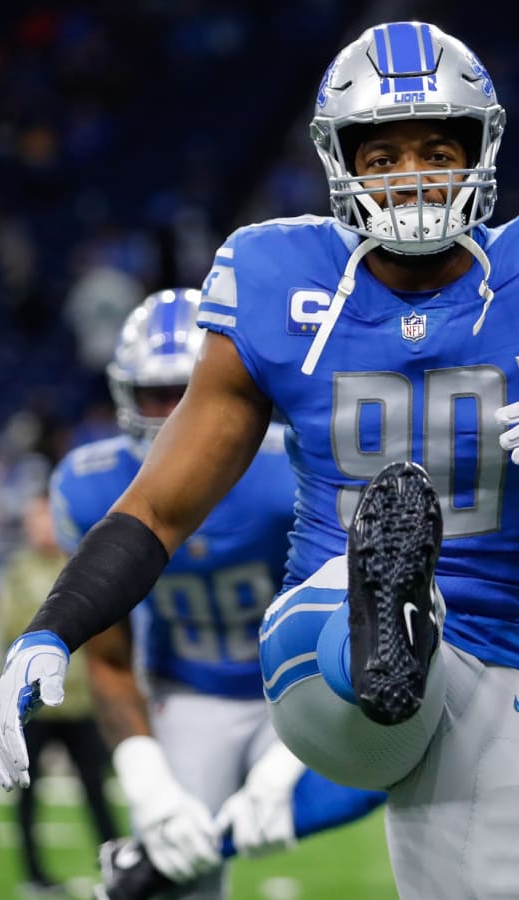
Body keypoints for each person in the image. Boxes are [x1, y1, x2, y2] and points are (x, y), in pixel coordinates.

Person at [0, 21, 519, 899]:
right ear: (342, 165)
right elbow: (160, 508)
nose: (412, 175)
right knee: (364, 629)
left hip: (502, 656)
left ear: (479, 151)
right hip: (323, 635)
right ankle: (385, 613)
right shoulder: (278, 276)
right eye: (383, 156)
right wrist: (54, 625)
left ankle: (394, 637)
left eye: (434, 148)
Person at [49, 288, 383, 900]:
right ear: (125, 396)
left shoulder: (290, 468)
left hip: (300, 681)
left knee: (400, 748)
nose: (175, 414)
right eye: (156, 394)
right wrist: (146, 781)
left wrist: (291, 764)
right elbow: (109, 659)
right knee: (182, 869)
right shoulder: (89, 487)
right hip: (192, 692)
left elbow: (359, 621)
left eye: (188, 389)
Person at [0, 492, 118, 893]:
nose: (41, 528)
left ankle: (116, 865)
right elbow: (6, 627)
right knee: (26, 794)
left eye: (46, 519)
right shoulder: (17, 571)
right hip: (34, 706)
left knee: (96, 791)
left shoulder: (79, 562)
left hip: (79, 698)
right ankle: (33, 874)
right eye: (35, 520)